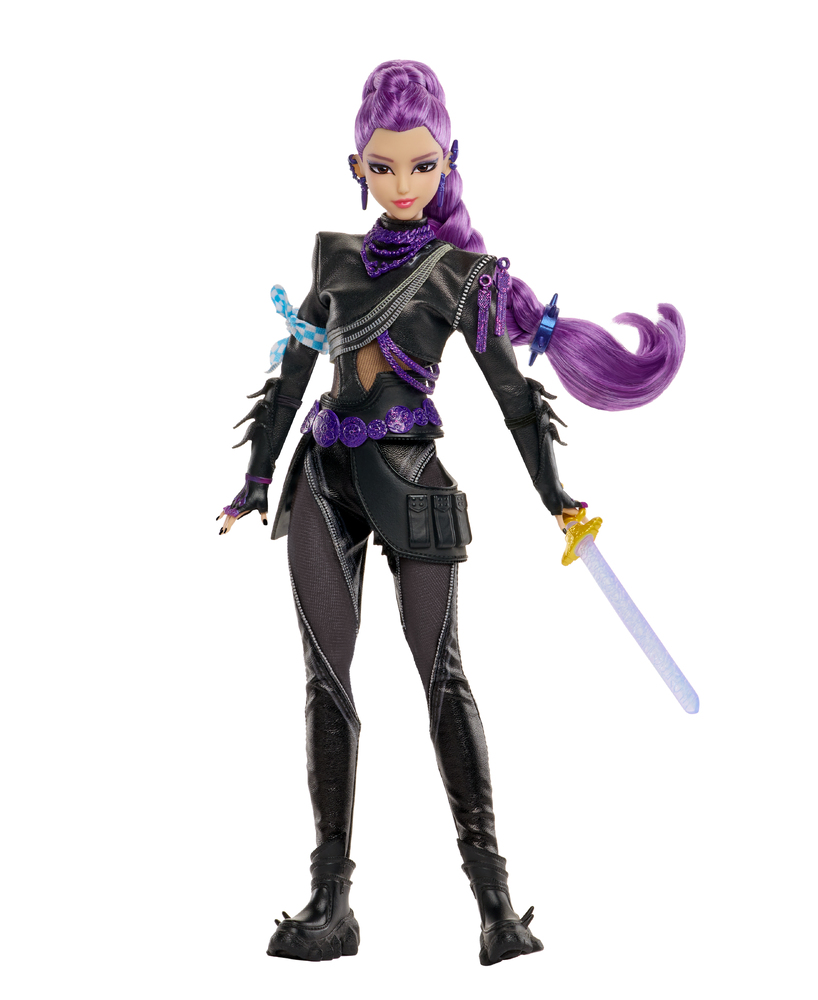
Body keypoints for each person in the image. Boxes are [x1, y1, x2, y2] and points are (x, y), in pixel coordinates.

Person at [217, 60, 684, 966]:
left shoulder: (462, 276)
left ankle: (496, 905)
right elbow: (294, 371)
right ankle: (330, 901)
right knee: (325, 682)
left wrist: (558, 498)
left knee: (444, 680)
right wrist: (256, 477)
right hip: (324, 479)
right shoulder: (334, 259)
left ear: (448, 161)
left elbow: (516, 399)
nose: (403, 183)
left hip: (413, 482)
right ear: (356, 166)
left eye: (422, 166)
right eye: (384, 166)